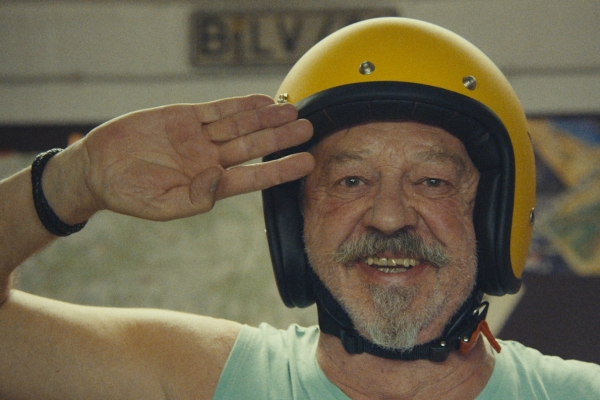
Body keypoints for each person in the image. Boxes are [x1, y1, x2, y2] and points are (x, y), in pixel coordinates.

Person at [0, 17, 598, 400]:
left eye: (432, 181)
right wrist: (73, 182)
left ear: (494, 216)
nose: (390, 217)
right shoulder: (196, 379)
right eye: (351, 181)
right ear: (297, 220)